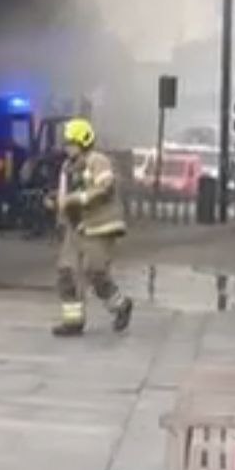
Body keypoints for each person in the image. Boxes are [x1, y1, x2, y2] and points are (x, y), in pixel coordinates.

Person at [50, 117, 134, 337]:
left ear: (82, 142)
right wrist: (56, 204)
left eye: (71, 143)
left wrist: (78, 198)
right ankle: (73, 322)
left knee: (95, 271)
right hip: (76, 227)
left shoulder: (98, 161)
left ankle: (120, 305)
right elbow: (64, 198)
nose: (67, 147)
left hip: (100, 226)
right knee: (66, 272)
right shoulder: (66, 168)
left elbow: (105, 187)